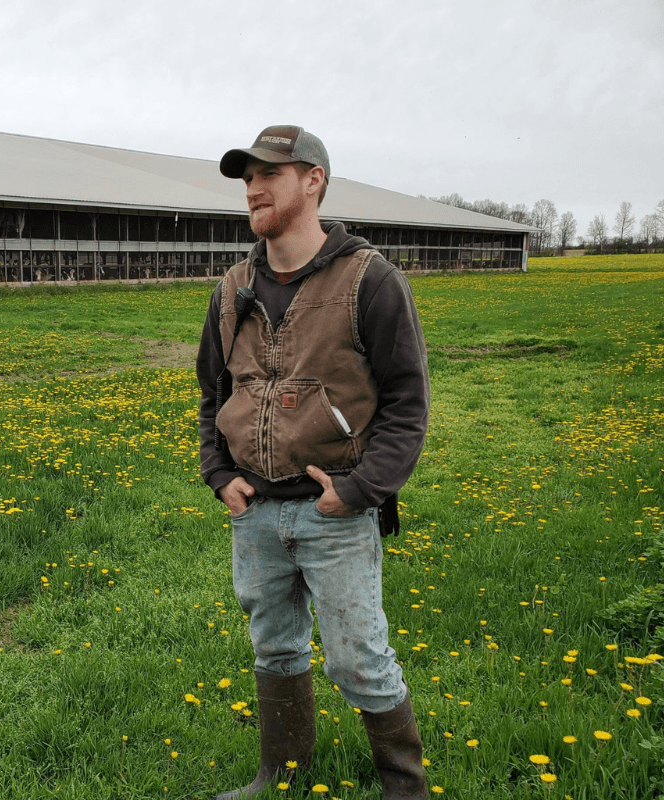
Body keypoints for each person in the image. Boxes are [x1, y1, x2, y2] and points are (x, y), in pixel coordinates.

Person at [197, 125, 430, 800]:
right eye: (247, 177)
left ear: (313, 181)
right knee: (274, 647)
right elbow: (213, 393)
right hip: (255, 515)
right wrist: (220, 476)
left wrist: (359, 490)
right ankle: (282, 773)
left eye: (270, 173)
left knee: (360, 660)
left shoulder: (372, 280)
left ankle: (404, 788)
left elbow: (408, 403)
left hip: (335, 513)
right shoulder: (230, 288)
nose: (253, 187)